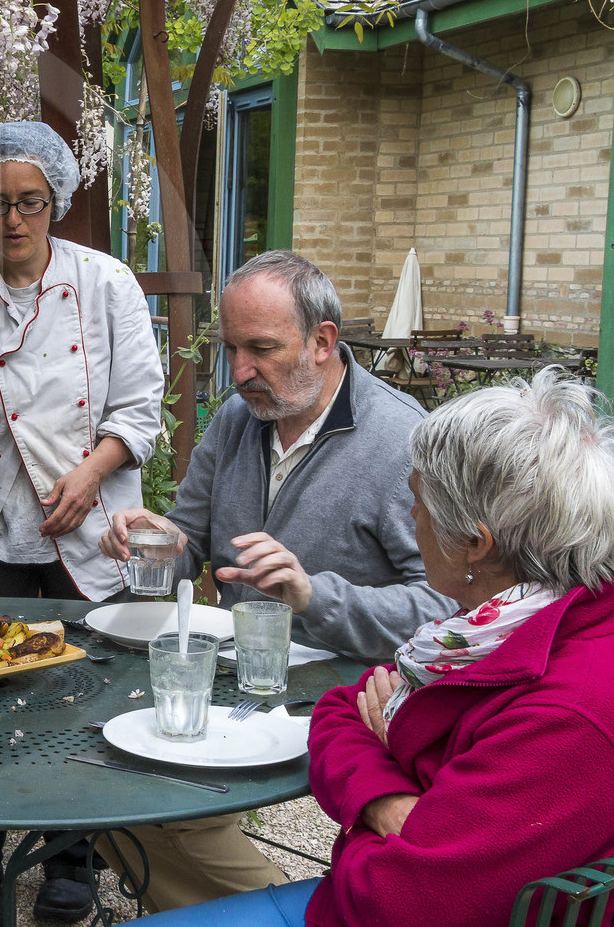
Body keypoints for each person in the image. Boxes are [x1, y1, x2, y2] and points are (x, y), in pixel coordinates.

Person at [129, 368, 614, 926]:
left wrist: (393, 775)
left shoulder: (564, 715)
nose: (412, 518)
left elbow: (391, 902)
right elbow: (339, 709)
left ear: (476, 544)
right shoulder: (495, 628)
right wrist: (389, 802)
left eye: (419, 504)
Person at [97, 250, 452, 912]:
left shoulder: (404, 438)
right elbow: (187, 547)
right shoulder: (240, 418)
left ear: (323, 342)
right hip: (238, 683)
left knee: (159, 808)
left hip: (349, 697)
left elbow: (447, 609)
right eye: (231, 348)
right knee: (111, 781)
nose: (238, 373)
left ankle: (313, 916)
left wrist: (313, 596)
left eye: (261, 348)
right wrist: (151, 541)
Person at [0, 121, 165, 922]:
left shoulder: (106, 283)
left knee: (81, 688)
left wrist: (92, 475)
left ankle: (71, 858)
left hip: (96, 520)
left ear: (54, 202)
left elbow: (141, 404)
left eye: (29, 202)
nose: (13, 219)